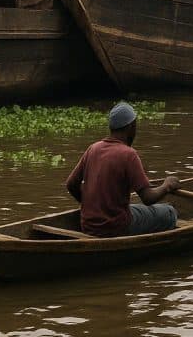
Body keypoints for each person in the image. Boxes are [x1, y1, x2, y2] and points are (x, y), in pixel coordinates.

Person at [65, 101, 181, 237]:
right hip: (118, 227)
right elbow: (148, 198)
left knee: (135, 208)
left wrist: (90, 206)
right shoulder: (128, 154)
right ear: (131, 127)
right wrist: (167, 185)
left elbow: (71, 184)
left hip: (88, 226)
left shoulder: (93, 148)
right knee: (169, 212)